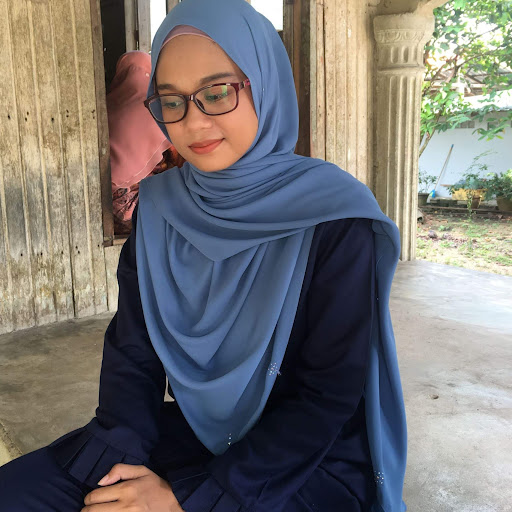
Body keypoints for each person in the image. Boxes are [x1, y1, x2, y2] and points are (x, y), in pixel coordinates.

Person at [0, 0, 407, 510]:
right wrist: (121, 456)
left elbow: (326, 395)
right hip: (198, 430)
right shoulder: (160, 209)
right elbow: (133, 351)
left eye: (216, 93)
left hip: (301, 458)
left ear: (266, 85)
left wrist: (187, 498)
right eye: (171, 101)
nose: (192, 123)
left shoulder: (336, 217)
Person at [107, 51, 185, 235]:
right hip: (126, 204)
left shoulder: (107, 104)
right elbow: (181, 159)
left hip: (101, 187)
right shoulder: (160, 108)